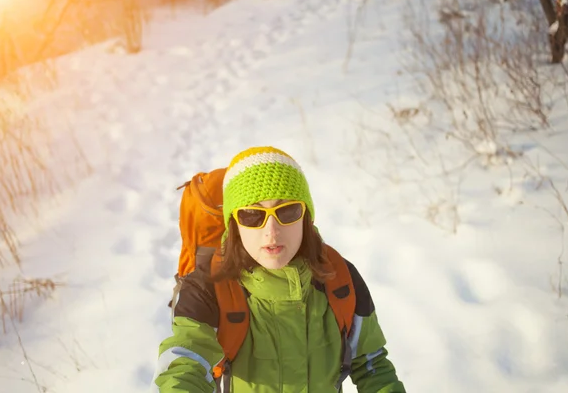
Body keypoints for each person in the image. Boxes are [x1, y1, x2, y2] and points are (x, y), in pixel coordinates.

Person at [153, 146, 406, 392]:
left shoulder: (339, 278)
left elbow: (372, 365)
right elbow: (185, 365)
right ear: (234, 225)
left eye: (287, 211)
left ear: (306, 216)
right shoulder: (209, 287)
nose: (271, 232)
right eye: (252, 215)